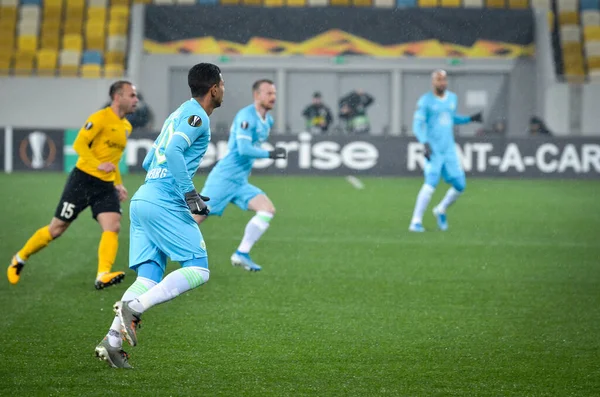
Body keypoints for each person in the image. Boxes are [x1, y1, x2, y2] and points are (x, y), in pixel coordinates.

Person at [94, 63, 224, 369]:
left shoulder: (178, 112)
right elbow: (176, 151)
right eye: (223, 84)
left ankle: (112, 343)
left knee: (149, 275)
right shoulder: (197, 117)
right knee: (199, 270)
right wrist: (189, 193)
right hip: (164, 200)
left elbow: (153, 156)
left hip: (144, 197)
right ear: (214, 88)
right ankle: (134, 308)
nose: (224, 90)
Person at [7, 81, 138, 289]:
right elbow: (79, 144)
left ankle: (102, 274)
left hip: (105, 186)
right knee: (56, 229)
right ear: (117, 97)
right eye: (131, 96)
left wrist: (118, 183)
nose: (136, 100)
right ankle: (20, 258)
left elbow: (113, 160)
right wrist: (97, 165)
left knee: (113, 225)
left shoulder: (126, 126)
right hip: (83, 180)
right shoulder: (100, 118)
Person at [198, 79, 287, 272]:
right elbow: (244, 149)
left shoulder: (268, 120)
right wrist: (270, 154)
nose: (273, 97)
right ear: (257, 95)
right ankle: (160, 247)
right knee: (196, 218)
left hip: (239, 181)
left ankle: (241, 253)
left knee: (267, 209)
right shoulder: (246, 117)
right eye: (268, 93)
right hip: (224, 177)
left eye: (274, 93)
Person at [409, 69, 482, 232]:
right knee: (430, 183)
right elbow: (417, 125)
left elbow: (450, 117)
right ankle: (415, 222)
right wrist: (424, 142)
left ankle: (440, 209)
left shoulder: (452, 98)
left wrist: (470, 119)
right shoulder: (425, 101)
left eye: (444, 80)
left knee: (460, 185)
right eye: (439, 80)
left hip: (449, 149)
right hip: (434, 150)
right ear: (433, 82)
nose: (442, 83)